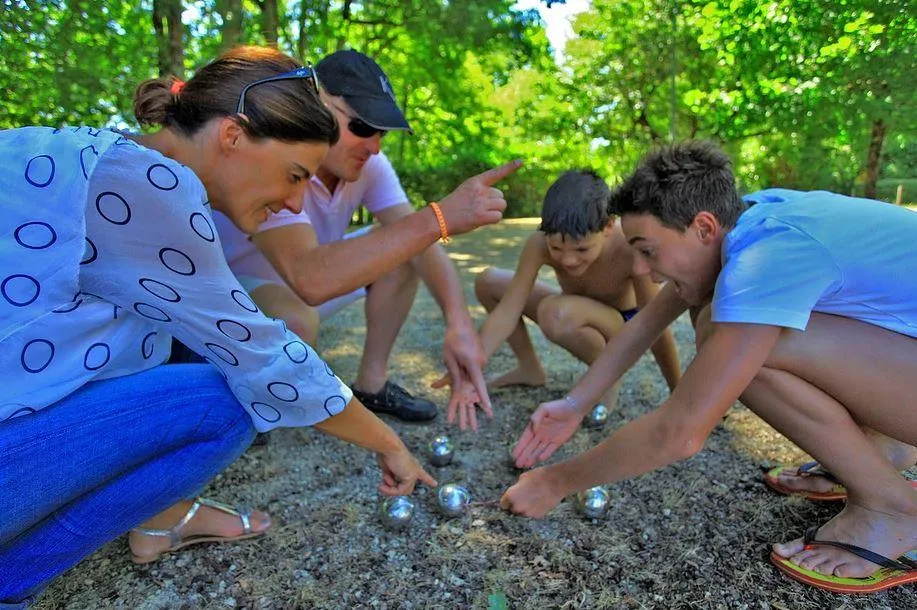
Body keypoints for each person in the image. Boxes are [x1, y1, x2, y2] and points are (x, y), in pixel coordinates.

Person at [0, 45, 512, 607]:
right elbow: (265, 359)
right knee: (228, 401)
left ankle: (157, 517)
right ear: (232, 135)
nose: (294, 202)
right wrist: (389, 444)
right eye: (294, 176)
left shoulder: (106, 155)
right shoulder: (154, 184)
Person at [499, 141, 917, 594]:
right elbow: (647, 323)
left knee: (745, 346)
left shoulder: (767, 258)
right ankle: (880, 455)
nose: (641, 269)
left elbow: (679, 433)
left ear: (702, 227)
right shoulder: (748, 220)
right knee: (719, 321)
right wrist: (574, 404)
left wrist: (554, 481)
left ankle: (891, 509)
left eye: (647, 251)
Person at [212, 50, 519, 427]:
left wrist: (459, 324)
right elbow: (310, 278)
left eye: (381, 132)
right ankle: (230, 394)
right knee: (296, 322)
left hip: (298, 291)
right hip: (234, 296)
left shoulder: (371, 164)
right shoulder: (279, 152)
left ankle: (371, 384)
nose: (374, 146)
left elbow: (417, 240)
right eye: (360, 126)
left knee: (404, 246)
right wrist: (440, 216)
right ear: (316, 104)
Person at [471, 170, 680, 427]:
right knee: (489, 282)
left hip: (621, 326)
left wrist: (679, 392)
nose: (568, 260)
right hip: (574, 308)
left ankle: (607, 377)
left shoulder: (628, 247)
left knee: (555, 312)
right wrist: (473, 365)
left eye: (582, 249)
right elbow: (507, 311)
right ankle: (529, 368)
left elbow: (655, 323)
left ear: (607, 226)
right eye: (556, 248)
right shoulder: (539, 244)